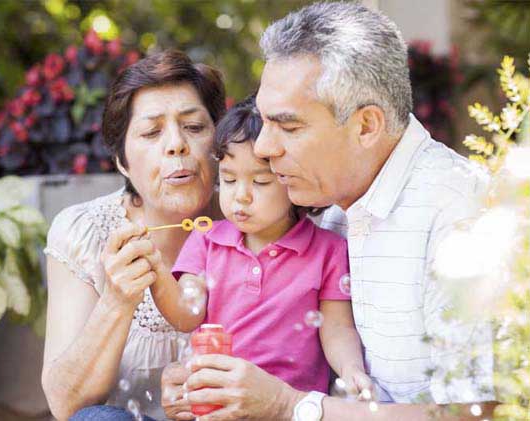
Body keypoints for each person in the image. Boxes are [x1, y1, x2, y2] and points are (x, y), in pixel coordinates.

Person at [165, 2, 498, 420]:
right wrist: (205, 382)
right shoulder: (326, 203)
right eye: (265, 122)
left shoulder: (459, 217)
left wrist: (289, 407)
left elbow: (478, 415)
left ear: (365, 126)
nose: (266, 148)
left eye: (288, 126)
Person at [146, 96, 371, 402]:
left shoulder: (327, 251)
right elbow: (187, 314)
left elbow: (337, 328)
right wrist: (156, 271)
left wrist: (351, 369)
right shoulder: (206, 241)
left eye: (261, 182)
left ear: (292, 179)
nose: (241, 196)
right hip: (219, 403)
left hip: (291, 406)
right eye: (228, 179)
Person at [41, 50, 226, 421]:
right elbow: (66, 407)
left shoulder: (255, 223)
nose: (176, 144)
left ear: (220, 142)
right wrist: (116, 301)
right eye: (152, 132)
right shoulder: (85, 231)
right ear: (122, 160)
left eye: (193, 127)